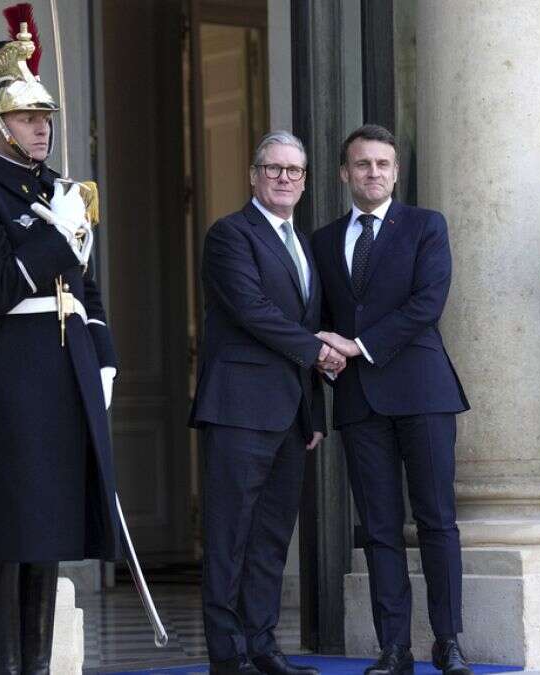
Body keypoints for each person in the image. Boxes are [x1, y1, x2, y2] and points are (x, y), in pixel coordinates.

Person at [0, 6, 123, 673]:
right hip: (9, 367)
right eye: (28, 118)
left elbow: (86, 285)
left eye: (46, 119)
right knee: (7, 533)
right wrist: (56, 234)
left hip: (65, 363)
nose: (42, 128)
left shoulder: (61, 190)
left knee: (49, 532)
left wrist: (104, 354)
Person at [311, 124, 471, 675]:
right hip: (359, 402)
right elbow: (321, 319)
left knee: (436, 521)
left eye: (382, 164)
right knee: (379, 529)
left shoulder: (426, 226)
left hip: (423, 392)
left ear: (396, 172)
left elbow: (428, 303)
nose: (372, 173)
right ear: (343, 173)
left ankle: (448, 641)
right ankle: (394, 648)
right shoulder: (324, 240)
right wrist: (326, 352)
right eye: (362, 164)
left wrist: (357, 346)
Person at [189, 130, 339, 675]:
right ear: (253, 176)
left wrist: (314, 412)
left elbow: (305, 319)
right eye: (273, 169)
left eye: (294, 171)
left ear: (304, 182)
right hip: (238, 408)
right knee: (230, 536)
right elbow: (252, 310)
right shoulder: (230, 235)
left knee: (272, 538)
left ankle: (263, 646)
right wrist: (320, 353)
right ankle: (227, 656)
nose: (283, 178)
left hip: (291, 416)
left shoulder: (304, 245)